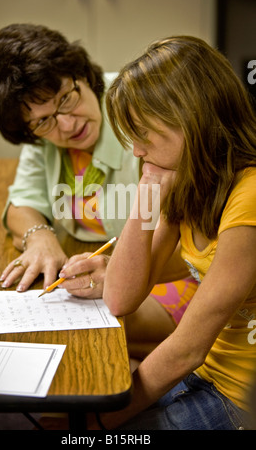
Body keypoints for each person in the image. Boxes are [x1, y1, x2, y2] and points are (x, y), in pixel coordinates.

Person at [0, 24, 197, 354]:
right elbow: (21, 202)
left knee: (84, 335)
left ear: (82, 76)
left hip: (176, 271)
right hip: (110, 273)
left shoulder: (141, 111)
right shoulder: (44, 129)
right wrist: (40, 238)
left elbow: (196, 241)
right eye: (43, 121)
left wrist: (122, 273)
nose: (66, 124)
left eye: (66, 99)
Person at [88, 35, 256, 430]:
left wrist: (101, 422)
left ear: (191, 120)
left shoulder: (249, 197)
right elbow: (120, 297)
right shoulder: (191, 182)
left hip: (240, 394)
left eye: (143, 133)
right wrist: (147, 193)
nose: (135, 150)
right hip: (208, 373)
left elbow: (186, 350)